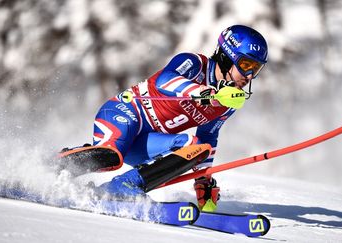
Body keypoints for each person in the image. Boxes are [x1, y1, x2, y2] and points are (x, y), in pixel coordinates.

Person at [76, 25, 268, 212]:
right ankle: (57, 165)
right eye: (245, 65)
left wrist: (203, 178)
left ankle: (123, 186)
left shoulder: (227, 103)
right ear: (227, 57)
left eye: (256, 69)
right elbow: (164, 81)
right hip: (124, 114)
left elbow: (208, 137)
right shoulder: (195, 64)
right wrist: (199, 92)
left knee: (195, 148)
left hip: (146, 141)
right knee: (110, 158)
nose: (249, 76)